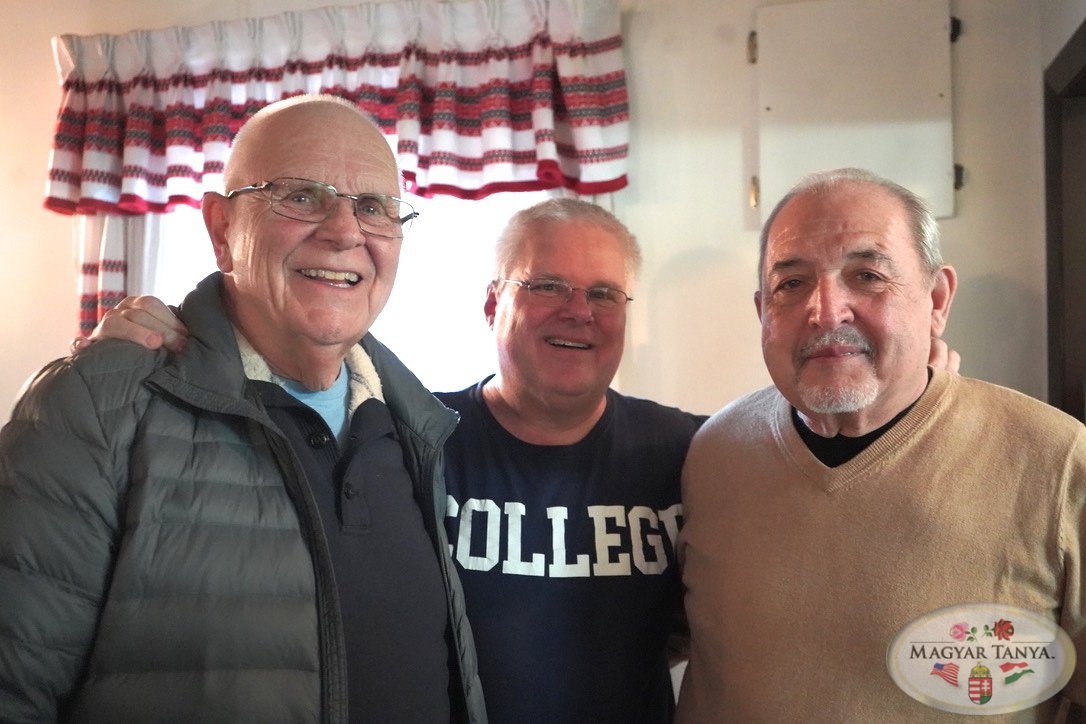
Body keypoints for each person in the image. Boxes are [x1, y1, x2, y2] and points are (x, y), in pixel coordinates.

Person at [0, 94, 485, 722]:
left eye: (372, 207)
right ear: (223, 230)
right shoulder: (97, 407)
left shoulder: (417, 426)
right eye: (302, 196)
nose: (346, 232)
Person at [676, 167, 1086, 721]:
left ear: (936, 300)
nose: (826, 311)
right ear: (762, 312)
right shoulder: (714, 453)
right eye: (791, 283)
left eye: (867, 275)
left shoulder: (1055, 459)